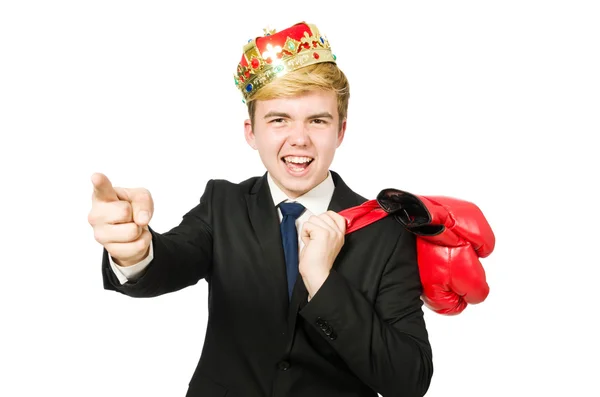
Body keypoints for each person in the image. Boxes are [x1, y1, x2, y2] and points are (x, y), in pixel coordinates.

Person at [89, 21, 434, 397]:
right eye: (278, 120)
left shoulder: (384, 229)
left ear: (341, 131)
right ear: (251, 132)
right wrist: (137, 251)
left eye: (317, 121)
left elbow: (409, 379)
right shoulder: (223, 205)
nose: (299, 139)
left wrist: (321, 280)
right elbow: (169, 261)